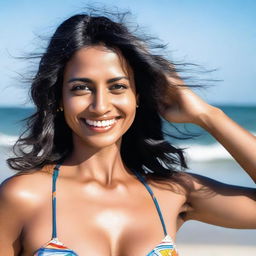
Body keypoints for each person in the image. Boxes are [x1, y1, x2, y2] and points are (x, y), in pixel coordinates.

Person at [0, 11, 255, 256]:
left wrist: (208, 116)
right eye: (81, 88)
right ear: (59, 99)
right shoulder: (24, 196)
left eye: (118, 86)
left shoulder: (172, 193)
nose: (100, 106)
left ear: (137, 97)